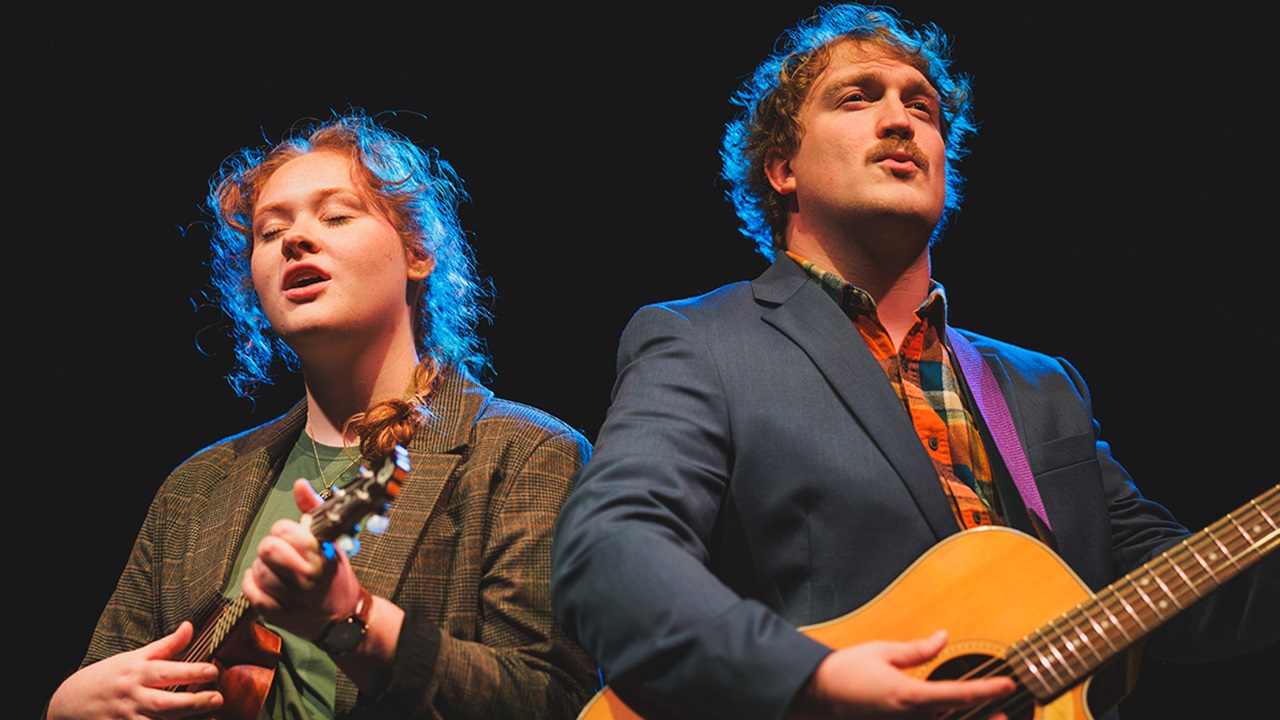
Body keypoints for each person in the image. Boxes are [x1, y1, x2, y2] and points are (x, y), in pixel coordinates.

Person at [549, 5, 1279, 720]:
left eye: (922, 107)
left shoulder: (1044, 388)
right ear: (782, 167)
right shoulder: (704, 341)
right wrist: (811, 677)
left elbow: (1194, 597)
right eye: (857, 98)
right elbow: (612, 551)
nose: (900, 121)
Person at [47, 112, 596, 719]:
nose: (294, 241)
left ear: (418, 253)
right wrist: (64, 706)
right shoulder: (194, 491)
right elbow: (112, 668)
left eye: (335, 216)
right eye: (269, 231)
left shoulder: (523, 455)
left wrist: (355, 618)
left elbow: (554, 700)